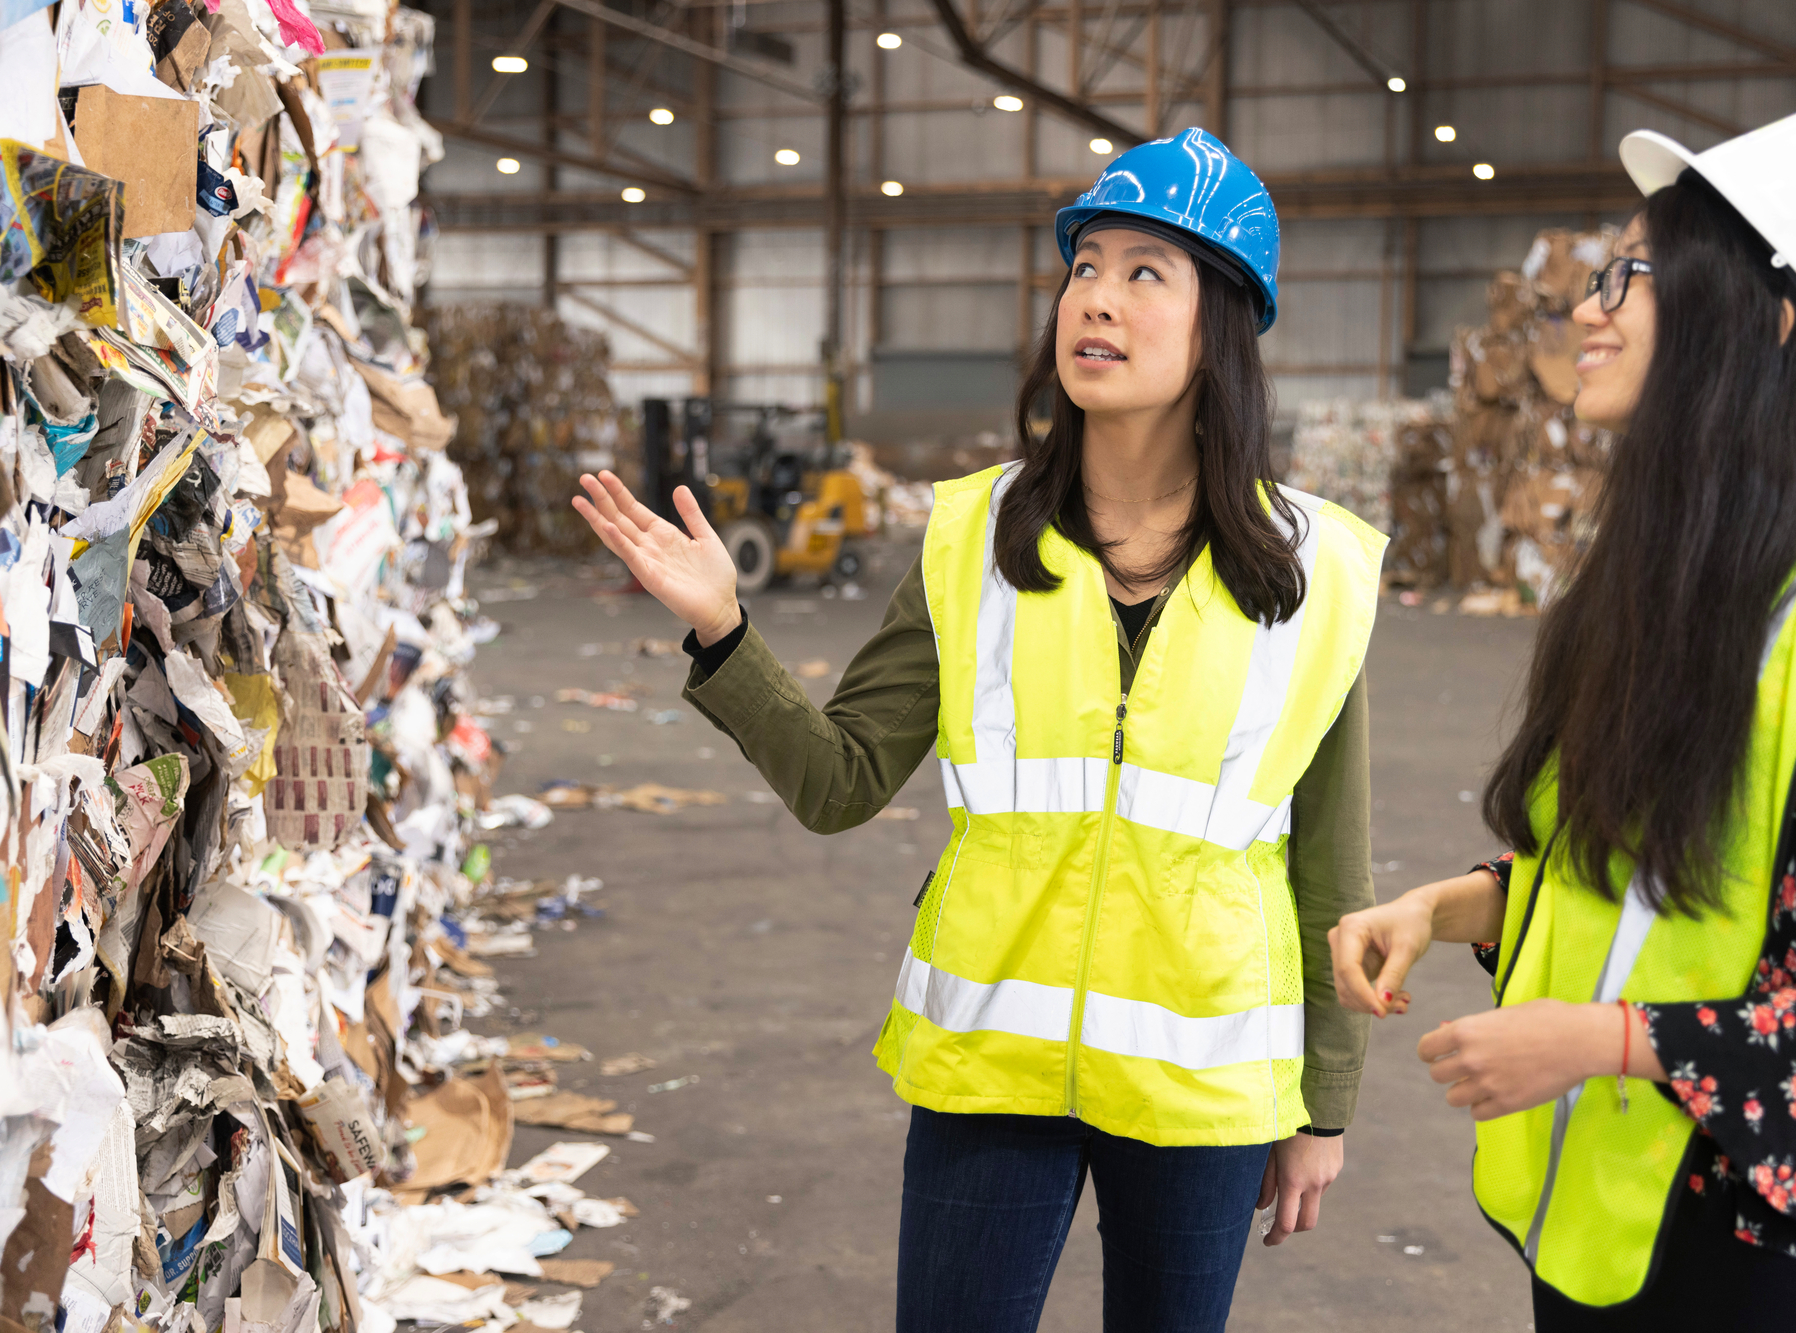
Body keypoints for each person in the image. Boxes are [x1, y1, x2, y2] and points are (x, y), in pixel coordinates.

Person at [571, 127, 1386, 1333]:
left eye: (1143, 273)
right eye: (1083, 267)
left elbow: (1330, 863)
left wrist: (1324, 1106)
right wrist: (726, 635)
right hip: (991, 1059)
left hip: (1204, 1079)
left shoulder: (1314, 571)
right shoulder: (974, 540)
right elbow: (839, 778)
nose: (1094, 300)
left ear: (1222, 324)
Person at [1328, 109, 1796, 1331]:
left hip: (1762, 1259)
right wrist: (1444, 907)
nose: (1590, 307)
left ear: (1768, 318)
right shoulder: (1654, 580)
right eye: (1600, 273)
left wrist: (1603, 1042)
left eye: (1634, 274)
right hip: (1604, 1238)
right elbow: (1637, 891)